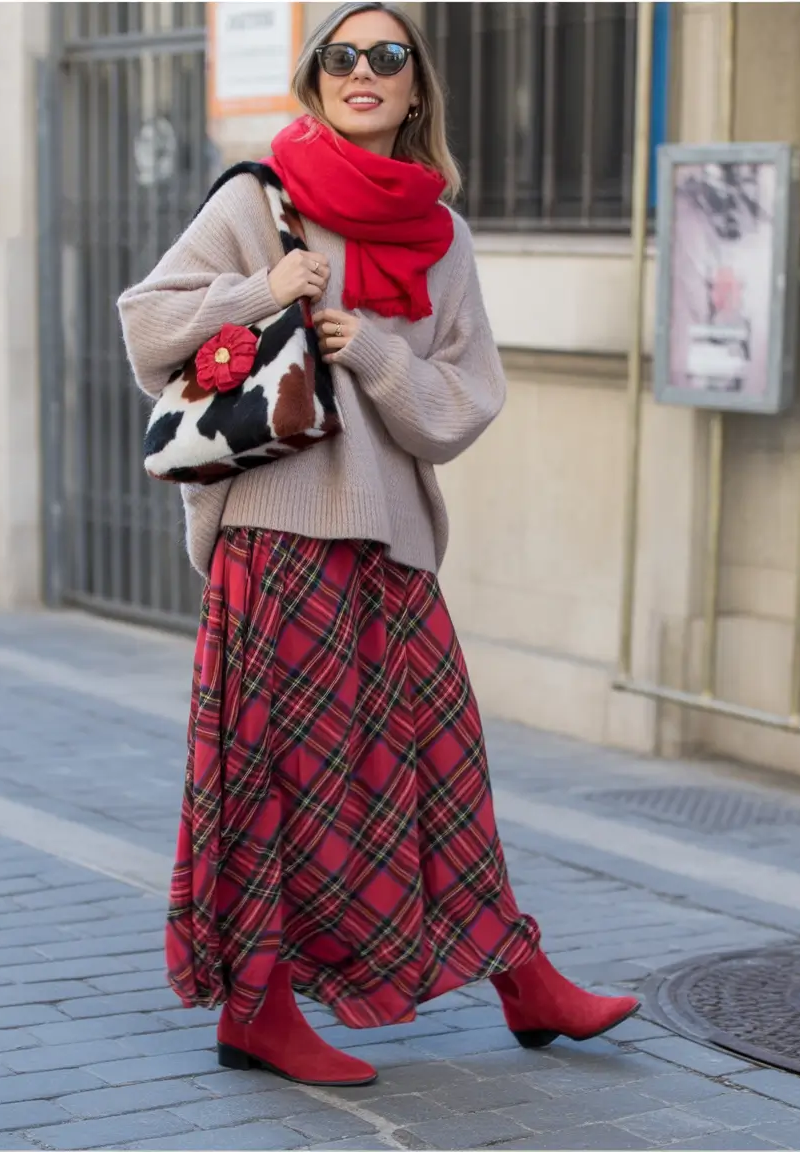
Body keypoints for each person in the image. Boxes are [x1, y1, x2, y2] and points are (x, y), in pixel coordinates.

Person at [118, 0, 639, 1090]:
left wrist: (375, 354)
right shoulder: (260, 199)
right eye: (342, 56)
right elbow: (148, 323)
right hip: (276, 534)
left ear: (413, 88)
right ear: (315, 83)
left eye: (387, 56)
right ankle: (258, 1010)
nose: (364, 70)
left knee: (445, 765)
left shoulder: (443, 236)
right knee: (278, 776)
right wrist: (264, 289)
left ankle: (524, 979)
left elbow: (464, 402)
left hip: (390, 542)